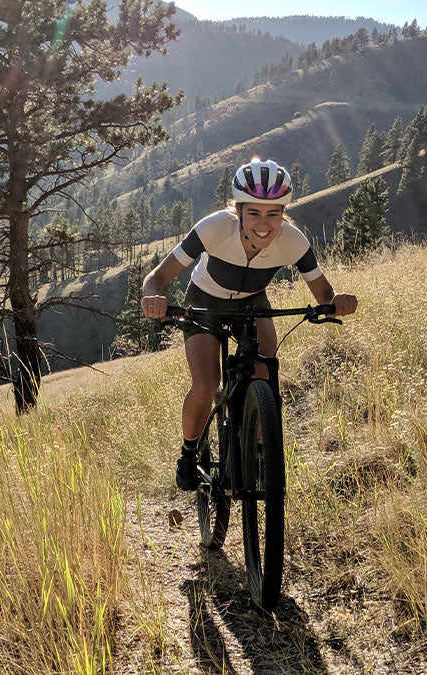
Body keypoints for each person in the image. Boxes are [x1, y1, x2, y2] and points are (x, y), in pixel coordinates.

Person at [141, 158, 358, 490]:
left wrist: (337, 301)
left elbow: (324, 292)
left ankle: (259, 448)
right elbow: (158, 278)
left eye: (273, 213)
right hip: (205, 301)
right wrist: (153, 297)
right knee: (206, 383)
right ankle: (188, 452)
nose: (264, 223)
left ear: (283, 213)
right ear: (238, 210)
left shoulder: (294, 242)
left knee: (265, 374)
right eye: (254, 212)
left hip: (253, 301)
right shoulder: (213, 228)